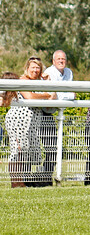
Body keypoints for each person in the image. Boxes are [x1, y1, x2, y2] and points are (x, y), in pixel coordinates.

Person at [5, 57, 55, 187]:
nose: (35, 70)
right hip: (18, 119)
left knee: (27, 151)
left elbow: (53, 98)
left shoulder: (40, 82)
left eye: (38, 67)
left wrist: (48, 82)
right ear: (27, 68)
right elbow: (29, 96)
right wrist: (45, 95)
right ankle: (16, 183)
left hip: (32, 122)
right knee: (18, 150)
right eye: (33, 67)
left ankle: (22, 181)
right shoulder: (23, 80)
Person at [40, 50, 75, 185]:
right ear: (53, 61)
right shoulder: (49, 72)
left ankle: (46, 176)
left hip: (52, 113)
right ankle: (35, 177)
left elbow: (71, 95)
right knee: (38, 147)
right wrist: (65, 96)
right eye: (58, 59)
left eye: (63, 59)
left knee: (53, 147)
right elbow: (52, 95)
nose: (61, 61)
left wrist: (62, 96)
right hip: (41, 112)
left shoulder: (69, 73)